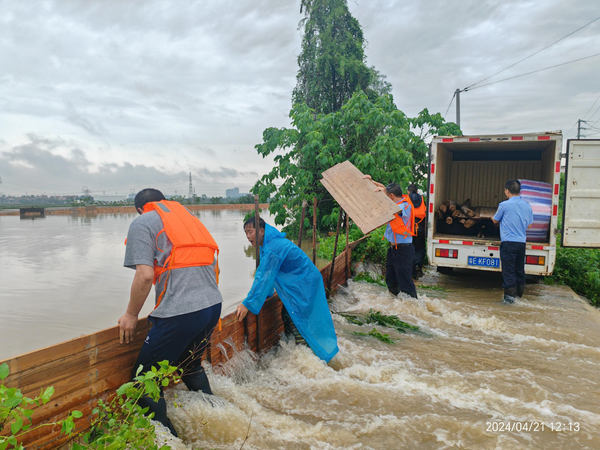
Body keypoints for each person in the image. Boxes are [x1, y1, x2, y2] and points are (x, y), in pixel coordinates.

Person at [119, 188, 223, 436]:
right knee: (190, 366)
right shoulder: (190, 219)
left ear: (139, 208)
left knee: (144, 382)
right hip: (212, 306)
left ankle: (169, 441)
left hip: (181, 312)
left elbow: (144, 275)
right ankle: (220, 416)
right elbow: (215, 265)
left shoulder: (143, 222)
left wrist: (131, 315)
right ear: (163, 202)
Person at [235, 217, 339, 363]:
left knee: (294, 315)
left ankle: (306, 354)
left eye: (250, 232)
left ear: (262, 231)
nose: (248, 236)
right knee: (287, 313)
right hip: (305, 281)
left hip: (305, 283)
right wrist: (267, 295)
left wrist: (247, 303)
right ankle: (300, 349)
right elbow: (269, 276)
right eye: (246, 233)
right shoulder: (267, 246)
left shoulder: (272, 247)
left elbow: (263, 278)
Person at [363, 176, 418, 299]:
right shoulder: (394, 201)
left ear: (391, 197)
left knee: (405, 283)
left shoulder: (405, 206)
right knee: (391, 280)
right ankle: (396, 304)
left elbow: (395, 210)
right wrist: (370, 181)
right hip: (393, 250)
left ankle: (414, 308)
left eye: (387, 197)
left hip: (404, 251)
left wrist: (382, 194)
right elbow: (383, 188)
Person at [492, 180, 534, 304]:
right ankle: (519, 297)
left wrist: (493, 219)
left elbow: (495, 220)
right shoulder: (527, 205)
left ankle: (509, 300)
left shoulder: (504, 205)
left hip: (508, 243)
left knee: (509, 271)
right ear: (519, 191)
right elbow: (530, 225)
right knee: (519, 270)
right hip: (521, 243)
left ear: (507, 191)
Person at [407, 184, 427, 279]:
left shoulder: (406, 199)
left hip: (409, 230)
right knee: (420, 249)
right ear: (417, 191)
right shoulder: (423, 200)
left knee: (410, 250)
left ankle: (412, 272)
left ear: (408, 191)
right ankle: (418, 265)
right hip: (420, 229)